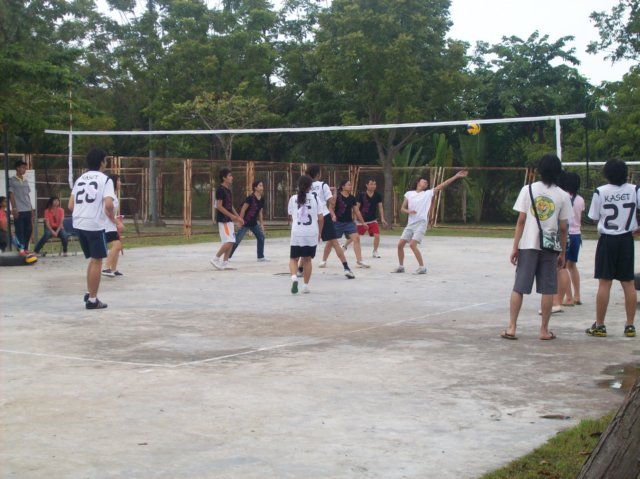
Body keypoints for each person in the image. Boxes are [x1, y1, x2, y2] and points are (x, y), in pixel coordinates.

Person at [500, 154, 571, 340]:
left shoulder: (528, 189)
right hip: (550, 247)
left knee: (519, 287)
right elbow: (563, 228)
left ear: (540, 170)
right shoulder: (563, 195)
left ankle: (512, 327)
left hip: (528, 245)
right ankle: (544, 330)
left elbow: (521, 220)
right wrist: (563, 252)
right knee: (547, 289)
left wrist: (515, 247)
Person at [585, 158, 639, 338]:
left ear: (606, 174)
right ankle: (630, 325)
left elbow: (594, 217)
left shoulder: (600, 191)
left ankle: (600, 325)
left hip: (608, 239)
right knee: (628, 282)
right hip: (626, 240)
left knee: (605, 282)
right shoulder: (635, 189)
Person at [393, 170, 468, 274]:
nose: (425, 183)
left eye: (427, 183)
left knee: (412, 244)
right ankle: (401, 267)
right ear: (418, 182)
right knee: (400, 245)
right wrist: (409, 211)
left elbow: (442, 185)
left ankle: (422, 267)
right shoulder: (409, 194)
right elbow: (402, 208)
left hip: (421, 223)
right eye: (424, 181)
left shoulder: (427, 193)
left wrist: (456, 176)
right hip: (410, 224)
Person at [68, 148, 116, 310]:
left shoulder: (80, 179)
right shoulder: (106, 180)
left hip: (78, 222)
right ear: (102, 162)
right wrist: (111, 214)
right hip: (94, 224)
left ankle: (89, 292)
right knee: (97, 260)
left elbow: (70, 205)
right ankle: (93, 300)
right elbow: (109, 203)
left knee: (93, 260)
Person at [306, 165, 355, 279]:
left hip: (311, 217)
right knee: (335, 242)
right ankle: (346, 268)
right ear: (318, 174)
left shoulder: (305, 185)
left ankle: (299, 269)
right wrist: (335, 193)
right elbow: (332, 202)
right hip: (324, 215)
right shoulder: (323, 185)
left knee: (307, 243)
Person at [319, 179, 369, 268]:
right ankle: (324, 260)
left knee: (356, 238)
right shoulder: (337, 196)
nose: (350, 186)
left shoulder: (352, 198)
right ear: (343, 186)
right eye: (348, 185)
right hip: (337, 223)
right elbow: (330, 208)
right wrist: (333, 215)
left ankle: (359, 260)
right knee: (330, 242)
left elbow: (357, 211)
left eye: (350, 185)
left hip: (349, 223)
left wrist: (363, 223)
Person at [288, 175, 323, 294]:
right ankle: (306, 286)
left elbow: (290, 216)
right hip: (311, 233)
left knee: (293, 258)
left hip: (297, 232)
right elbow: (321, 218)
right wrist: (320, 232)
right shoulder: (315, 198)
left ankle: (294, 278)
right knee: (307, 259)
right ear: (310, 186)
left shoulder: (293, 198)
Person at [343, 178, 388, 258]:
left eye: (374, 184)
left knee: (377, 235)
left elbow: (380, 207)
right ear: (367, 185)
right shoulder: (361, 195)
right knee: (354, 237)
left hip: (372, 220)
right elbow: (356, 208)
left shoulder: (377, 195)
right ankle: (344, 246)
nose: (373, 186)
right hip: (361, 221)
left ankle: (375, 251)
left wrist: (382, 218)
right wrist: (356, 218)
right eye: (371, 184)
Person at [210, 168, 243, 270]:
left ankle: (225, 263)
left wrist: (238, 217)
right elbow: (219, 206)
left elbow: (230, 206)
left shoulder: (228, 190)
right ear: (224, 178)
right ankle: (215, 259)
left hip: (229, 220)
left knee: (232, 241)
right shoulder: (220, 190)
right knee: (229, 240)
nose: (232, 177)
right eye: (230, 176)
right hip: (223, 220)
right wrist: (231, 216)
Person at [229, 180, 267, 261]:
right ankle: (227, 257)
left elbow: (260, 213)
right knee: (237, 240)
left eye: (262, 185)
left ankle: (260, 257)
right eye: (260, 185)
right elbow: (243, 209)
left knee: (261, 237)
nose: (262, 187)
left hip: (254, 223)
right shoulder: (250, 198)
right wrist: (240, 221)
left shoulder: (262, 199)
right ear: (255, 188)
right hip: (245, 223)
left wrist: (262, 224)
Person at [564, 172, 585, 306]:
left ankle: (568, 297)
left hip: (566, 234)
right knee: (572, 266)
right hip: (577, 234)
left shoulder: (563, 196)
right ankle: (577, 295)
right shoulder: (580, 199)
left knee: (563, 267)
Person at [101, 174, 125, 277]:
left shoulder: (113, 195)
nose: (120, 183)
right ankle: (106, 268)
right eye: (118, 180)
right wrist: (118, 223)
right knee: (117, 245)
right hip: (106, 225)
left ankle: (114, 269)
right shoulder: (108, 196)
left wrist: (116, 222)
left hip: (111, 225)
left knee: (118, 246)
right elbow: (107, 213)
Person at [8, 159, 33, 254]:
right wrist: (14, 208)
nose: (24, 169)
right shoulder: (12, 180)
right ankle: (21, 249)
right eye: (23, 167)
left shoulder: (25, 180)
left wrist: (31, 207)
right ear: (17, 168)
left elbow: (27, 194)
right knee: (20, 230)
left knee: (29, 229)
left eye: (25, 168)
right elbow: (11, 194)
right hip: (19, 209)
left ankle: (25, 248)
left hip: (27, 209)